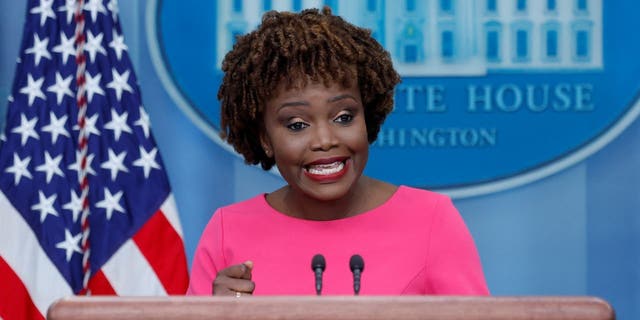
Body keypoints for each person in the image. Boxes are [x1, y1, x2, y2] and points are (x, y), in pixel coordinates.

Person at [187, 7, 489, 296]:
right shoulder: (228, 231)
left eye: (343, 117)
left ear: (367, 117)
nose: (324, 140)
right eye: (296, 125)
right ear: (265, 139)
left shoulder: (432, 220)